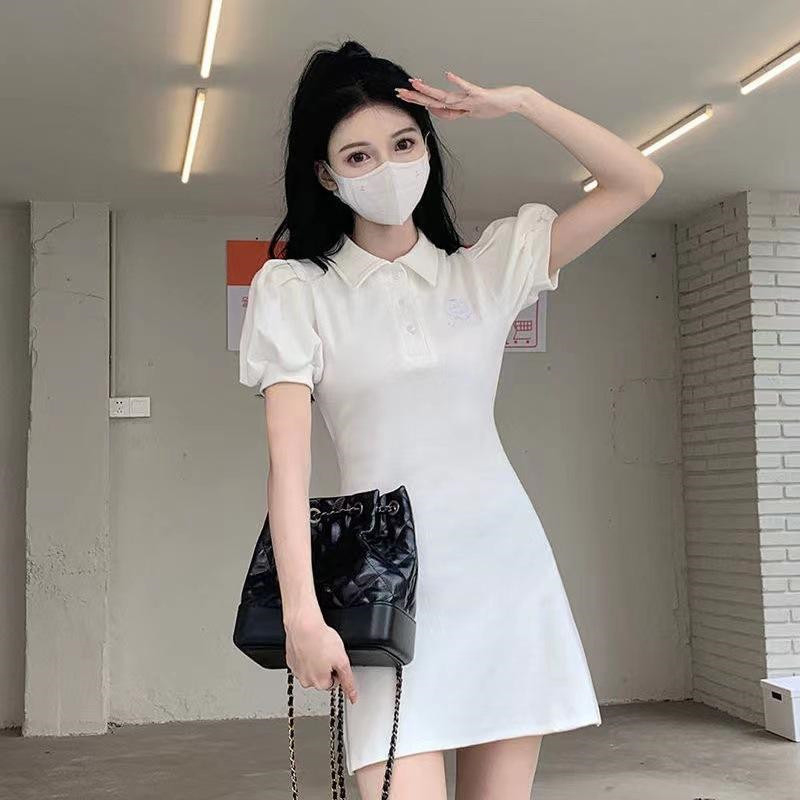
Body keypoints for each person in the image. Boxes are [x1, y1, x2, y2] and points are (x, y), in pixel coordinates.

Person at [239, 39, 662, 800]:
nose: (388, 166)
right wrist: (302, 609)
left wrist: (524, 101)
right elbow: (288, 467)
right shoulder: (296, 290)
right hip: (381, 586)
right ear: (327, 175)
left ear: (428, 147)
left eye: (404, 144)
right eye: (360, 155)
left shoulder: (486, 268)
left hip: (502, 568)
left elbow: (638, 180)